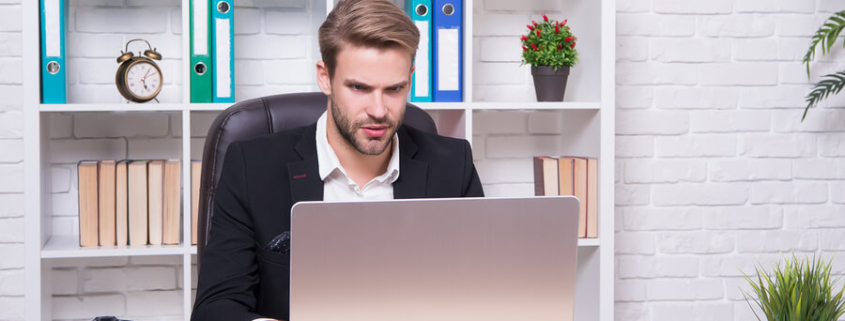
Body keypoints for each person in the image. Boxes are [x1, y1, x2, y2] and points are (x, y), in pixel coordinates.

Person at [191, 0, 484, 320]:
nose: (378, 110)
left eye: (394, 89)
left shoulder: (454, 165)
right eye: (359, 87)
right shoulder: (251, 166)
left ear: (410, 79)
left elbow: (486, 290)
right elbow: (215, 308)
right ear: (325, 77)